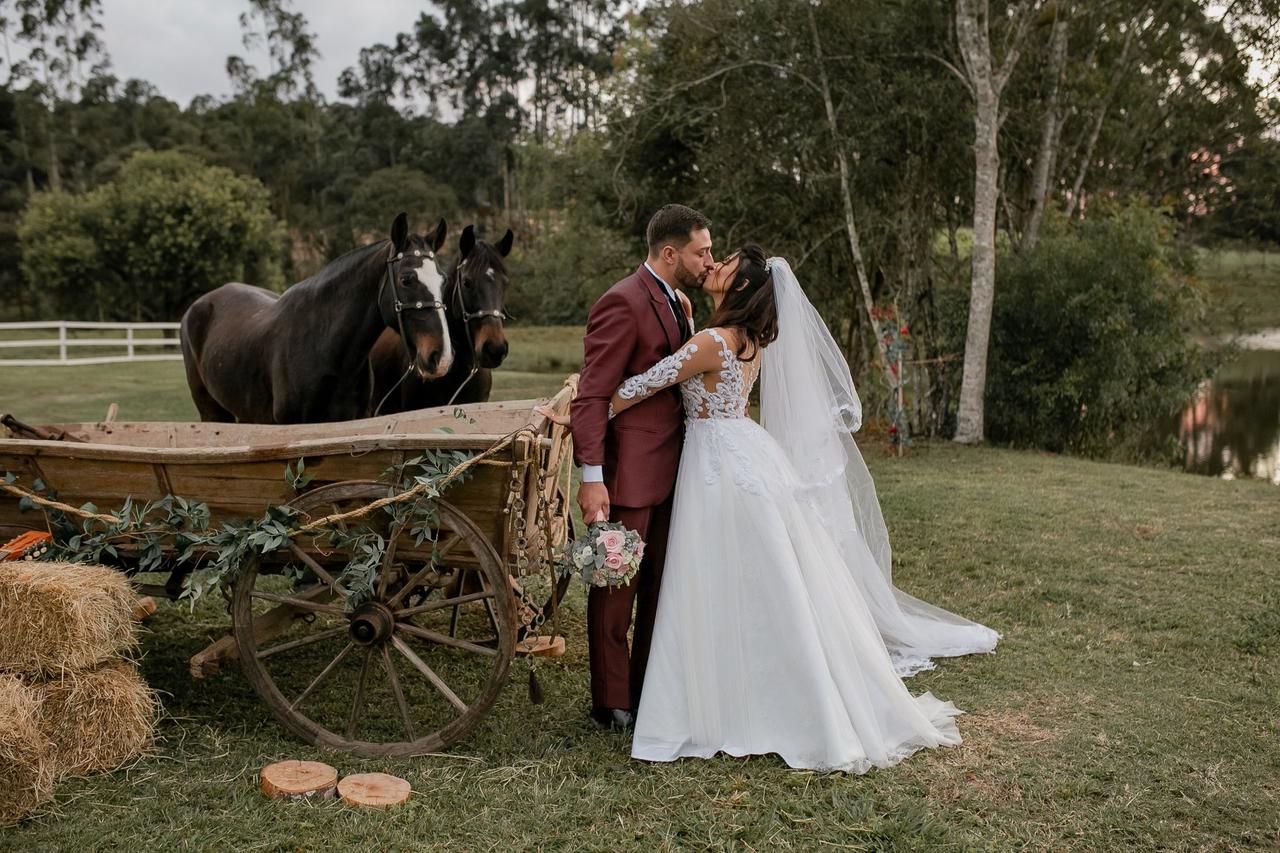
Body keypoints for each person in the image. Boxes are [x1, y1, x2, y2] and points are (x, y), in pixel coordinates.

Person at [549, 244, 998, 770]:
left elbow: (636, 388)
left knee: (718, 573)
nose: (713, 265)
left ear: (739, 288)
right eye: (712, 256)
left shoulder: (710, 341)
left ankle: (726, 691)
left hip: (716, 463)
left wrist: (581, 397)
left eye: (725, 265)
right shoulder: (747, 343)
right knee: (760, 575)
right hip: (745, 453)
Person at [568, 204, 710, 732]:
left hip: (676, 469)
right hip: (627, 474)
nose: (708, 259)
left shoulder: (679, 301)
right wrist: (591, 477)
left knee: (658, 586)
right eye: (702, 251)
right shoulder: (622, 302)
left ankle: (647, 685)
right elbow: (592, 396)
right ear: (669, 253)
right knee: (614, 586)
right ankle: (610, 702)